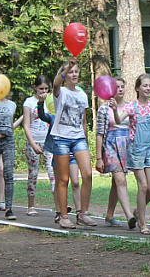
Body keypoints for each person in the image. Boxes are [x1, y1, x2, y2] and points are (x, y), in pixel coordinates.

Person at [120, 73, 150, 235]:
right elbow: (119, 121)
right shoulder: (132, 107)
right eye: (145, 85)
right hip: (136, 150)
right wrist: (114, 110)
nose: (148, 88)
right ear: (137, 88)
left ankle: (138, 212)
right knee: (143, 186)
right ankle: (142, 222)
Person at [51, 57, 96, 228]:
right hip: (61, 138)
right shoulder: (60, 91)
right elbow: (55, 83)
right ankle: (63, 216)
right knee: (63, 179)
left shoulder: (83, 94)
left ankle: (83, 213)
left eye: (76, 71)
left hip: (78, 138)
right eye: (71, 71)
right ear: (65, 74)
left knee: (88, 174)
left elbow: (83, 121)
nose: (74, 74)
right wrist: (66, 67)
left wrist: (85, 139)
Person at [37, 94, 82, 224]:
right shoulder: (53, 117)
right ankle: (60, 212)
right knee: (60, 182)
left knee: (75, 182)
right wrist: (40, 103)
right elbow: (42, 116)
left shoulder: (73, 118)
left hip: (72, 155)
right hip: (58, 153)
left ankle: (79, 212)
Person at [95, 90, 135, 227]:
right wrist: (99, 157)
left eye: (123, 86)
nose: (121, 89)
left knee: (116, 182)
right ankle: (130, 215)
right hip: (110, 145)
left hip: (125, 145)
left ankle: (109, 215)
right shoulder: (104, 109)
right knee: (120, 180)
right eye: (117, 87)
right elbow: (99, 133)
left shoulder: (130, 106)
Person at [23, 75, 55, 216]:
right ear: (35, 87)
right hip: (34, 141)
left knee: (53, 173)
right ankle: (31, 205)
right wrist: (32, 143)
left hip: (49, 141)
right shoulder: (29, 102)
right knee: (33, 174)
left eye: (46, 89)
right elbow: (26, 125)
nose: (43, 91)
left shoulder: (51, 101)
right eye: (41, 88)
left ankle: (59, 206)